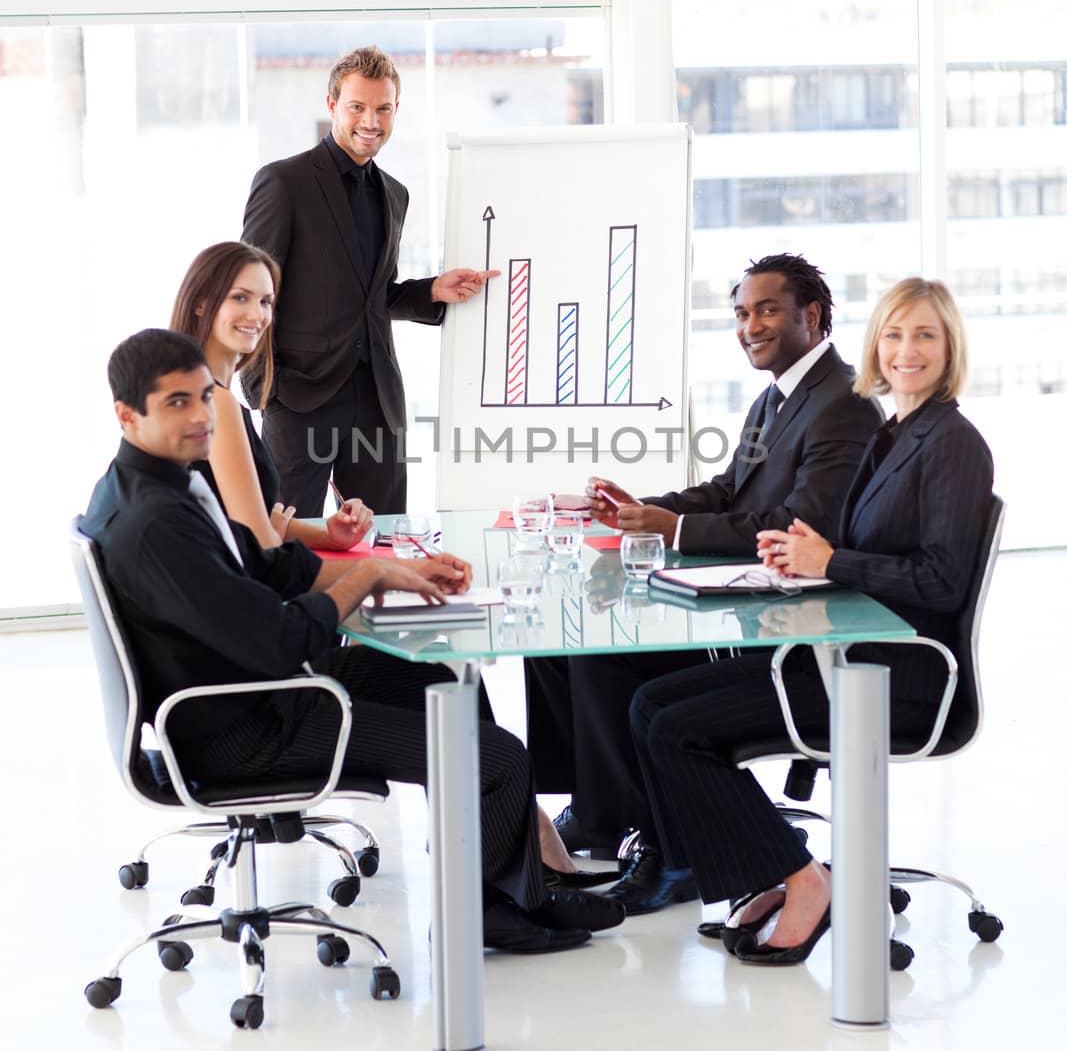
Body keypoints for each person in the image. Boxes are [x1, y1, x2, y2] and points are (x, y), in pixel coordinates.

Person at [81, 329, 623, 954]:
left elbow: (261, 571)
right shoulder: (156, 523)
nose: (203, 416)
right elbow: (280, 643)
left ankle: (511, 894)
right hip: (244, 733)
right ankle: (486, 914)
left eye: (205, 396)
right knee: (497, 761)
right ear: (128, 414)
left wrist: (393, 571)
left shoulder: (159, 485)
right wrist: (364, 575)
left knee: (442, 678)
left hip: (245, 700)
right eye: (178, 402)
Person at [628, 278, 993, 963]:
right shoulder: (895, 431)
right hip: (841, 653)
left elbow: (940, 581)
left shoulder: (951, 444)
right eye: (892, 335)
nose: (905, 351)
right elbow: (857, 546)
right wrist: (802, 558)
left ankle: (800, 881)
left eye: (923, 335)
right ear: (873, 345)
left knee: (676, 728)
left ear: (950, 347)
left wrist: (832, 562)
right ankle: (772, 872)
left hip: (895, 676)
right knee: (650, 704)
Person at [526, 253, 884, 908]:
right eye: (742, 313)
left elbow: (800, 522)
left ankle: (673, 847)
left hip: (788, 625)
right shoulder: (774, 397)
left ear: (812, 315)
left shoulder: (844, 404)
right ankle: (603, 811)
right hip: (744, 601)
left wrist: (674, 531)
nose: (750, 325)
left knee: (604, 654)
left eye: (766, 309)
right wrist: (640, 510)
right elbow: (727, 490)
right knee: (559, 642)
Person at [242, 45, 497, 516]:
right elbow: (251, 291)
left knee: (382, 538)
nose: (371, 121)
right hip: (300, 399)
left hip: (377, 402)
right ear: (332, 105)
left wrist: (432, 290)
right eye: (357, 107)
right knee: (281, 537)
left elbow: (372, 296)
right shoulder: (283, 182)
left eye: (383, 108)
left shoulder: (394, 194)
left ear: (396, 110)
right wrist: (263, 391)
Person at [170, 241, 373, 553]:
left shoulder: (195, 392)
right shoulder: (214, 403)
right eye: (240, 297)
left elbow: (254, 519)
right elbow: (261, 545)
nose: (257, 314)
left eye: (266, 301)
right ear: (200, 303)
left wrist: (329, 536)